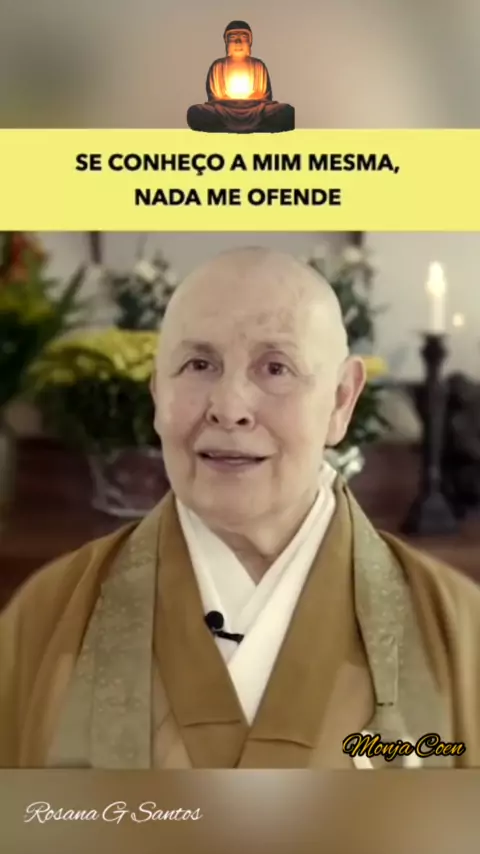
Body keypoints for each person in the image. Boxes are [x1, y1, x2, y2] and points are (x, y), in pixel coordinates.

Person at [1, 246, 480, 770]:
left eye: (276, 367)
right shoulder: (46, 616)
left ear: (342, 400)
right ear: (158, 393)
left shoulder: (457, 629)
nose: (229, 408)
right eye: (198, 364)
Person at [186, 21, 295, 133]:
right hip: (225, 109)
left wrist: (252, 99)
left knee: (285, 111)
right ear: (226, 42)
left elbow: (265, 97)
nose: (238, 42)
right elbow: (214, 98)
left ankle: (230, 126)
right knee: (195, 112)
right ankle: (254, 126)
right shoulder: (218, 66)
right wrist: (228, 100)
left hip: (255, 109)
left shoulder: (258, 65)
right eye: (233, 38)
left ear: (250, 41)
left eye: (243, 37)